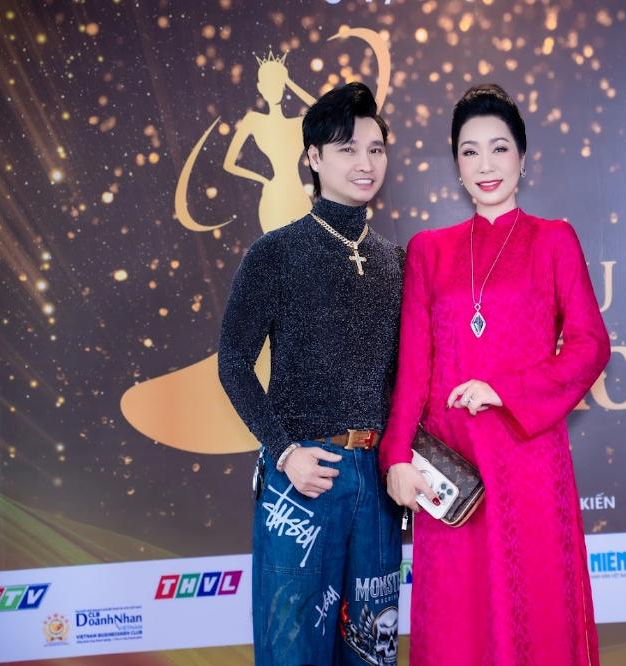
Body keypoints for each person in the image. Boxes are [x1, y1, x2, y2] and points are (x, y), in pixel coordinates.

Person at [380, 83, 611, 665]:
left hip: (529, 458)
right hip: (454, 471)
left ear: (523, 157)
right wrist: (397, 455)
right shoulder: (429, 250)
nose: (486, 165)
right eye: (470, 151)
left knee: (537, 611)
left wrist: (505, 391)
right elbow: (413, 365)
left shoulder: (553, 239)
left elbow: (590, 346)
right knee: (458, 623)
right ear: (456, 165)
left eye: (499, 148)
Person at [218, 82, 404, 666]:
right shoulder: (275, 253)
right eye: (347, 149)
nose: (365, 163)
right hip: (301, 481)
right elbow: (233, 362)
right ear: (314, 158)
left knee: (372, 653)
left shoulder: (396, 262)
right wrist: (284, 452)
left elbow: (404, 378)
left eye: (375, 149)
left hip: (377, 483)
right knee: (292, 653)